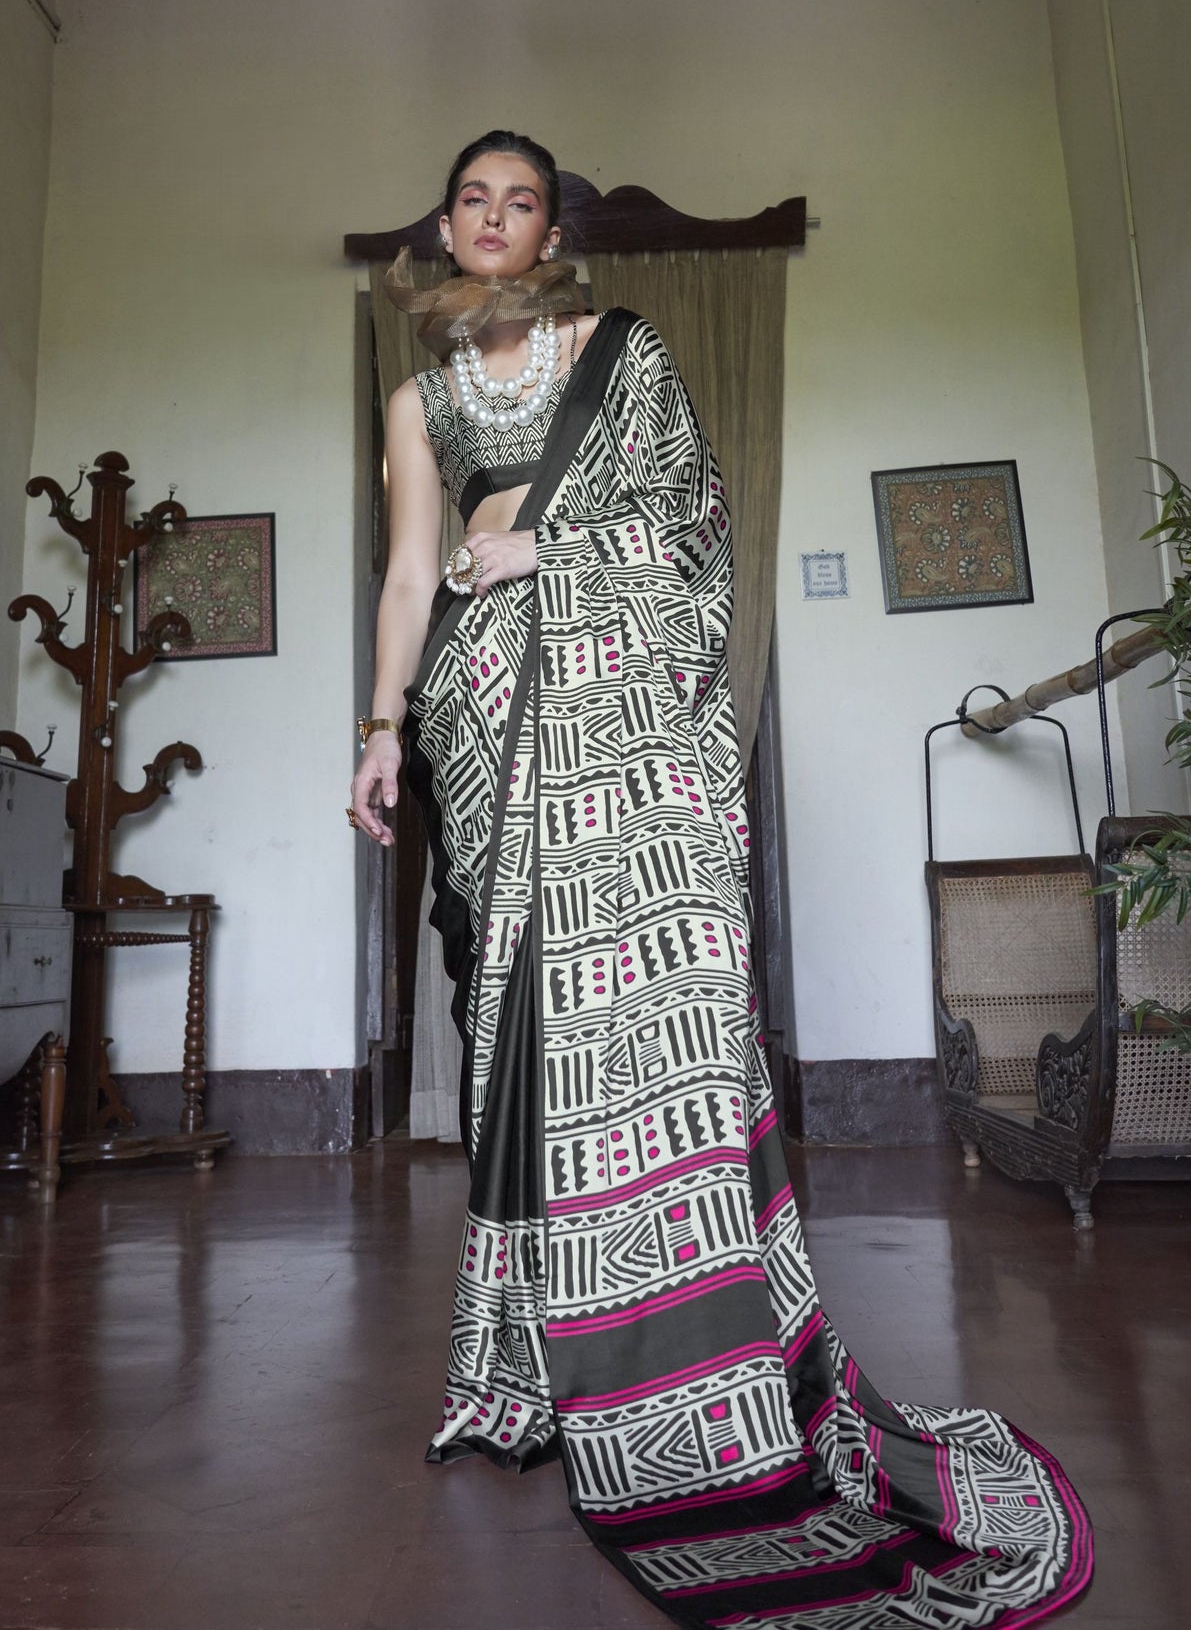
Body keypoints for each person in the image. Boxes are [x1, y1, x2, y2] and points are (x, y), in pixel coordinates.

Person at [349, 130, 1093, 1630]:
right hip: (485, 716)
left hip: (626, 717)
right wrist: (378, 727)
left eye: (523, 201)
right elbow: (415, 572)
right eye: (474, 202)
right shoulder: (418, 396)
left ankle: (688, 1360)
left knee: (651, 1022)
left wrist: (551, 547)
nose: (497, 220)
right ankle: (528, 1365)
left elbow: (694, 532)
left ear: (551, 228)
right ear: (447, 227)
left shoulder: (618, 351)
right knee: (532, 1036)